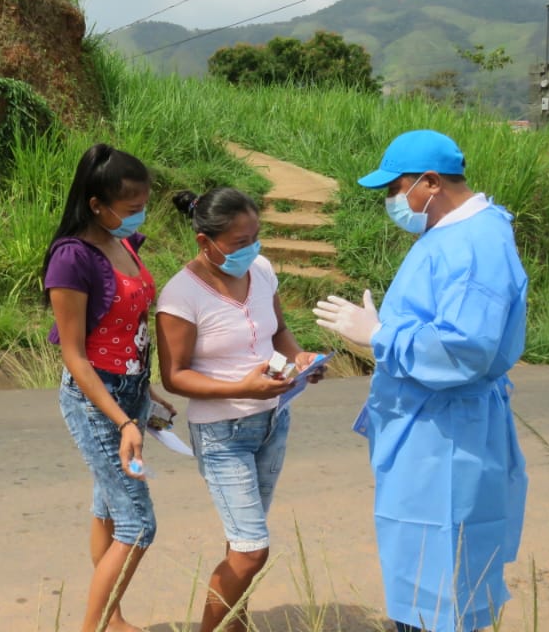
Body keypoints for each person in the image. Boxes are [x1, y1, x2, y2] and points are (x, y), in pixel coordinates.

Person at [312, 129, 529, 632]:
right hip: (430, 427)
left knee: (440, 581)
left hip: (446, 435)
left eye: (396, 187)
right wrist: (388, 326)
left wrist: (382, 337)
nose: (392, 200)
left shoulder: (475, 243)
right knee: (421, 565)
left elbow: (464, 347)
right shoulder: (453, 232)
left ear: (430, 183)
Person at [156, 187, 324, 632]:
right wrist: (241, 386)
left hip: (273, 421)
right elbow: (174, 375)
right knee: (252, 549)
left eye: (256, 236)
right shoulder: (180, 296)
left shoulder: (261, 269)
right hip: (222, 434)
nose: (250, 248)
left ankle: (236, 624)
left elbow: (280, 331)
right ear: (204, 242)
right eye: (237, 242)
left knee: (244, 544)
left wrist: (301, 360)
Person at [42, 143, 175, 632]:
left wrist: (146, 389)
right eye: (131, 207)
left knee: (107, 507)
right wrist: (122, 422)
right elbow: (75, 355)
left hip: (131, 390)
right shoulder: (71, 260)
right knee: (139, 523)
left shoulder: (125, 244)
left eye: (143, 204)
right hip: (97, 401)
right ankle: (94, 627)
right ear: (97, 205)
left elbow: (129, 325)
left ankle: (112, 618)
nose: (139, 215)